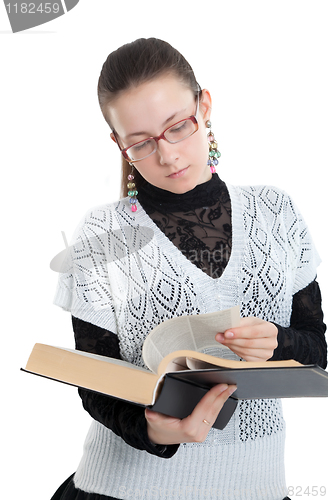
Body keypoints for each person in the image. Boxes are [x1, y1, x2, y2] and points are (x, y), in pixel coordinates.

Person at [51, 38, 327, 500]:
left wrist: (280, 342)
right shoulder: (103, 234)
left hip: (255, 484)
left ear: (205, 106)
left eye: (178, 126)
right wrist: (156, 432)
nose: (168, 155)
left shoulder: (275, 211)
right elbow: (95, 381)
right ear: (118, 144)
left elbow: (317, 348)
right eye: (140, 142)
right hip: (124, 489)